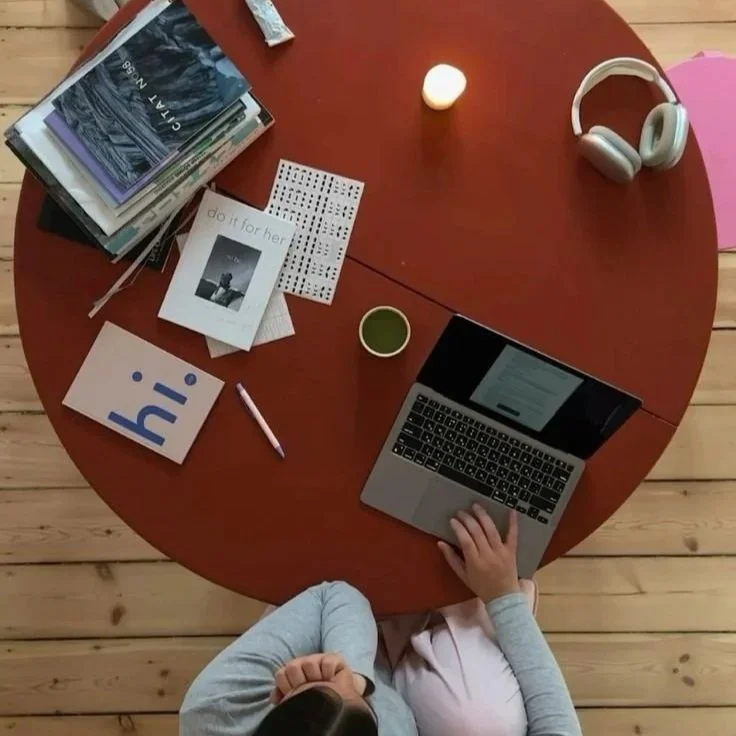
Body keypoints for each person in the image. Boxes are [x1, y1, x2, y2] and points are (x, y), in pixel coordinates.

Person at [179, 505, 581, 736]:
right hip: (414, 694)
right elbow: (557, 728)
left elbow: (335, 596)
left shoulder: (215, 710)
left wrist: (354, 674)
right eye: (370, 710)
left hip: (327, 624)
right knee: (482, 723)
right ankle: (460, 613)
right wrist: (503, 598)